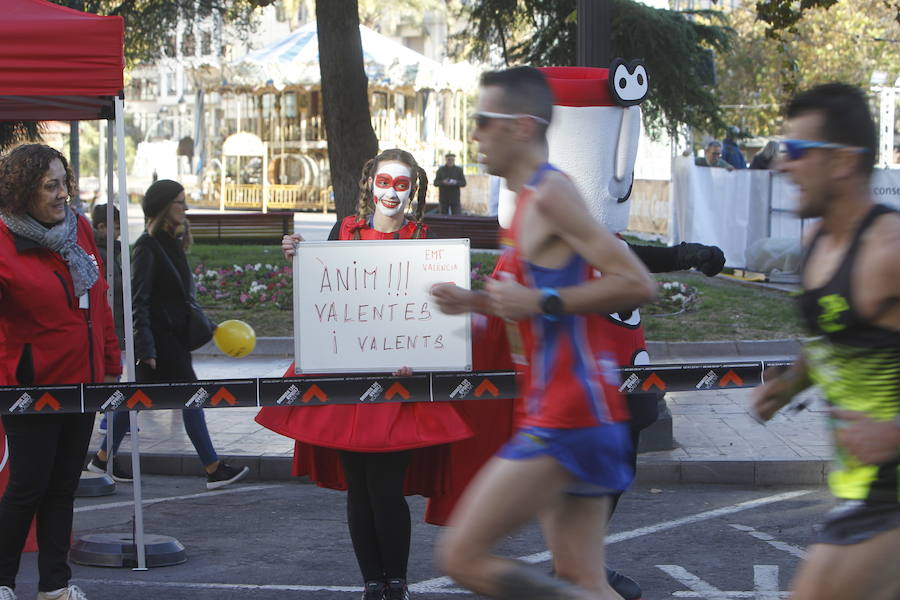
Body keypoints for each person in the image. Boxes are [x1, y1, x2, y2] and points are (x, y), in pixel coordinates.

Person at [431, 66, 656, 599]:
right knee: (583, 579)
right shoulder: (530, 200)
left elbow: (636, 283)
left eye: (484, 121)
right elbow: (538, 304)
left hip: (567, 415)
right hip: (571, 410)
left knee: (460, 556)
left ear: (522, 127)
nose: (474, 134)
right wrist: (479, 301)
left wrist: (540, 299)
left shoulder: (553, 194)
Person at [256, 148, 473, 600]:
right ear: (369, 183)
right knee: (359, 487)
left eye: (402, 184)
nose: (391, 192)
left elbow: (437, 312)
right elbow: (328, 293)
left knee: (387, 487)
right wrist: (298, 255)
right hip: (348, 378)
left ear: (414, 189)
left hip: (400, 382)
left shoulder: (424, 240)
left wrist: (426, 350)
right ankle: (372, 582)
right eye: (384, 182)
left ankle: (396, 581)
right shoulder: (344, 231)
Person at [751, 83, 900, 600]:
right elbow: (834, 339)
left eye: (795, 151)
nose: (782, 165)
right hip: (860, 493)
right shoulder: (817, 242)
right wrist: (789, 384)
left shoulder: (889, 251)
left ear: (840, 163)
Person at [0, 144, 122, 600]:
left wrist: (110, 363)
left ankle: (55, 585)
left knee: (62, 487)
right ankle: (2, 581)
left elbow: (99, 300)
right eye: (50, 185)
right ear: (23, 191)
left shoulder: (81, 231)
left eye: (63, 183)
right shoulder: (4, 241)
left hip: (82, 383)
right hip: (28, 386)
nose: (61, 194)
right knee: (27, 487)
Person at [86, 180, 249, 491]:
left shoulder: (168, 243)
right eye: (179, 202)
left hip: (169, 342)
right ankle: (213, 468)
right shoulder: (148, 246)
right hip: (159, 345)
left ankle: (103, 457)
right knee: (190, 398)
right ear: (164, 206)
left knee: (134, 400)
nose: (185, 208)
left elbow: (178, 299)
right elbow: (139, 300)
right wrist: (145, 345)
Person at [89, 204, 132, 447]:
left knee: (115, 366)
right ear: (101, 227)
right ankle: (110, 414)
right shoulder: (99, 254)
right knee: (112, 367)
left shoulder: (112, 251)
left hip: (116, 319)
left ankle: (113, 414)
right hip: (108, 320)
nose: (118, 232)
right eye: (114, 227)